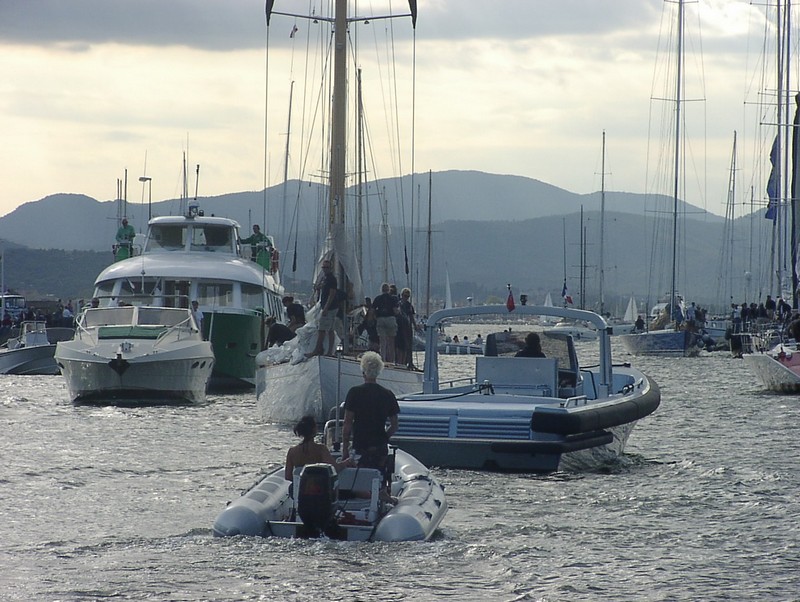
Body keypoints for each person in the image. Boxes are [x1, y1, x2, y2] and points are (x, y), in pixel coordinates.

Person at [341, 352, 400, 501]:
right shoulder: (388, 395)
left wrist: (344, 451)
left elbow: (347, 425)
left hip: (360, 445)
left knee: (357, 481)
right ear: (379, 371)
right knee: (378, 478)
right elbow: (394, 425)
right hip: (379, 448)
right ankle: (381, 497)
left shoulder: (354, 393)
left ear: (363, 372)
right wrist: (383, 438)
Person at [284, 415, 351, 481]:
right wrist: (346, 462)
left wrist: (301, 481)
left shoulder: (292, 451)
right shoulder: (321, 449)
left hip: (298, 488)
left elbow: (288, 476)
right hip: (318, 488)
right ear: (313, 429)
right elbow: (335, 468)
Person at [307, 259, 338, 357]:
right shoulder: (325, 278)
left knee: (322, 330)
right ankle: (329, 351)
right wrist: (319, 286)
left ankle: (317, 350)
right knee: (330, 330)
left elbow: (332, 294)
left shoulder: (332, 279)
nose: (325, 269)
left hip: (329, 308)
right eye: (323, 267)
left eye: (327, 267)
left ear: (331, 268)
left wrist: (325, 308)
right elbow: (323, 287)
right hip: (328, 307)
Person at [372, 283, 399, 363]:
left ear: (381, 290)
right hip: (390, 319)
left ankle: (383, 359)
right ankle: (391, 360)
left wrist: (375, 318)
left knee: (382, 342)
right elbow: (395, 310)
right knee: (391, 342)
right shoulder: (393, 298)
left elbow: (372, 310)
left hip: (380, 319)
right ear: (388, 290)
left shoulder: (377, 298)